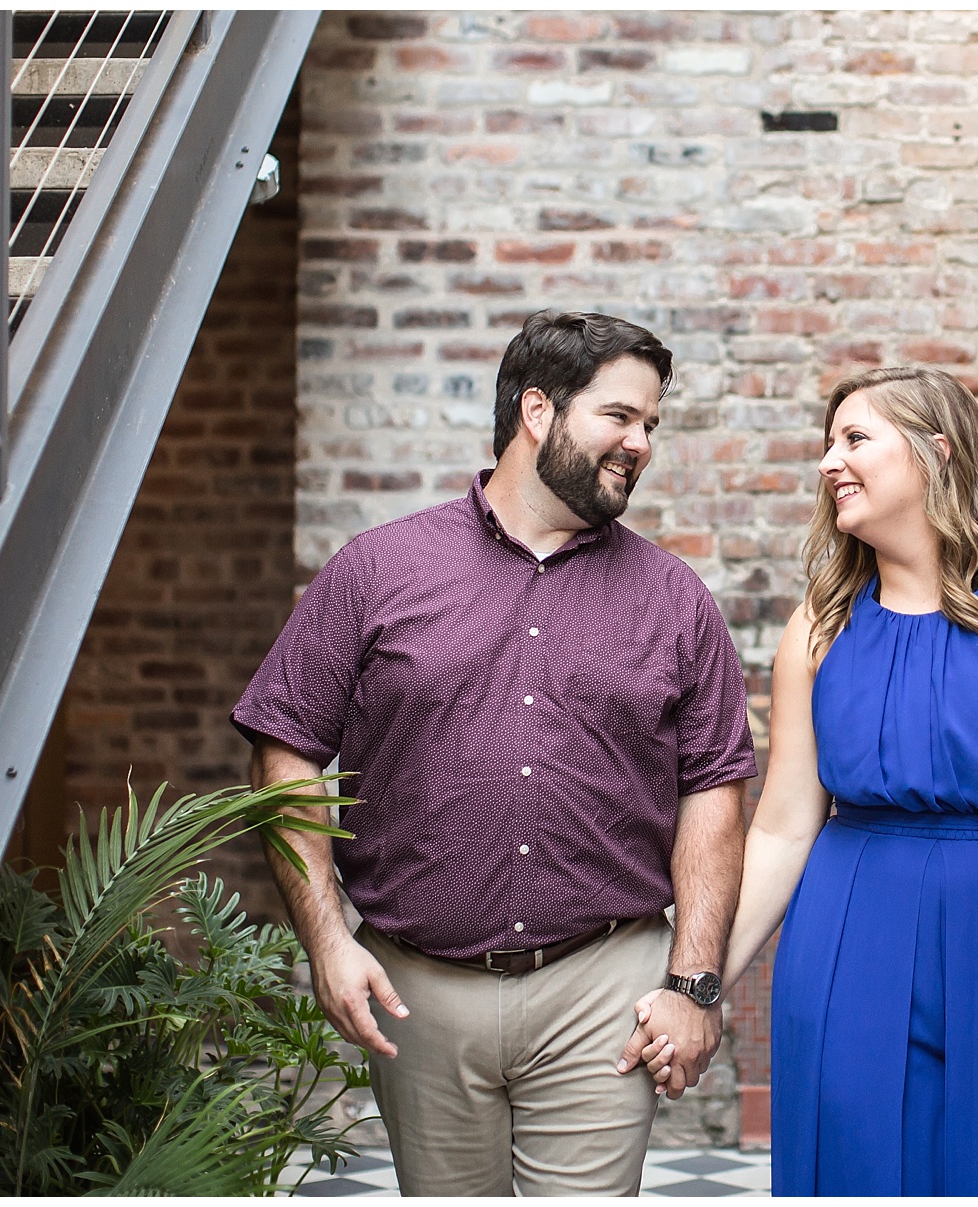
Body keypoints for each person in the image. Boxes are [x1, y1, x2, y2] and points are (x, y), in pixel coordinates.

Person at [234, 311, 759, 1197]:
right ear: (538, 411)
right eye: (620, 417)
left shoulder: (675, 600)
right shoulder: (376, 571)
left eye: (651, 426)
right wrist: (325, 937)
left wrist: (695, 985)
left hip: (606, 985)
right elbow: (284, 747)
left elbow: (714, 787)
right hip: (420, 991)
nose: (640, 443)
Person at [620, 366, 978, 1194]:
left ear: (937, 452)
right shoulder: (819, 627)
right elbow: (782, 827)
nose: (829, 462)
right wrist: (699, 989)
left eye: (855, 439)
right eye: (828, 443)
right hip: (848, 942)